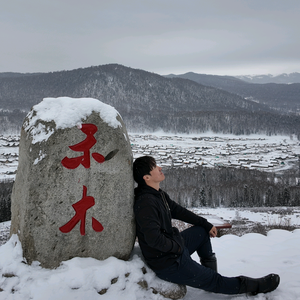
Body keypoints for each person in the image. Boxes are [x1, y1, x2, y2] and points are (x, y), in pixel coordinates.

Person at [133, 155, 280, 296]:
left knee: (201, 231)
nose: (160, 167)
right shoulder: (146, 202)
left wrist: (206, 224)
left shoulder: (158, 194)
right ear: (147, 177)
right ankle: (255, 286)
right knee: (215, 281)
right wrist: (177, 248)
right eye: (155, 167)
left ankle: (208, 276)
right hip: (168, 262)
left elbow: (179, 211)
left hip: (174, 249)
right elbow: (154, 240)